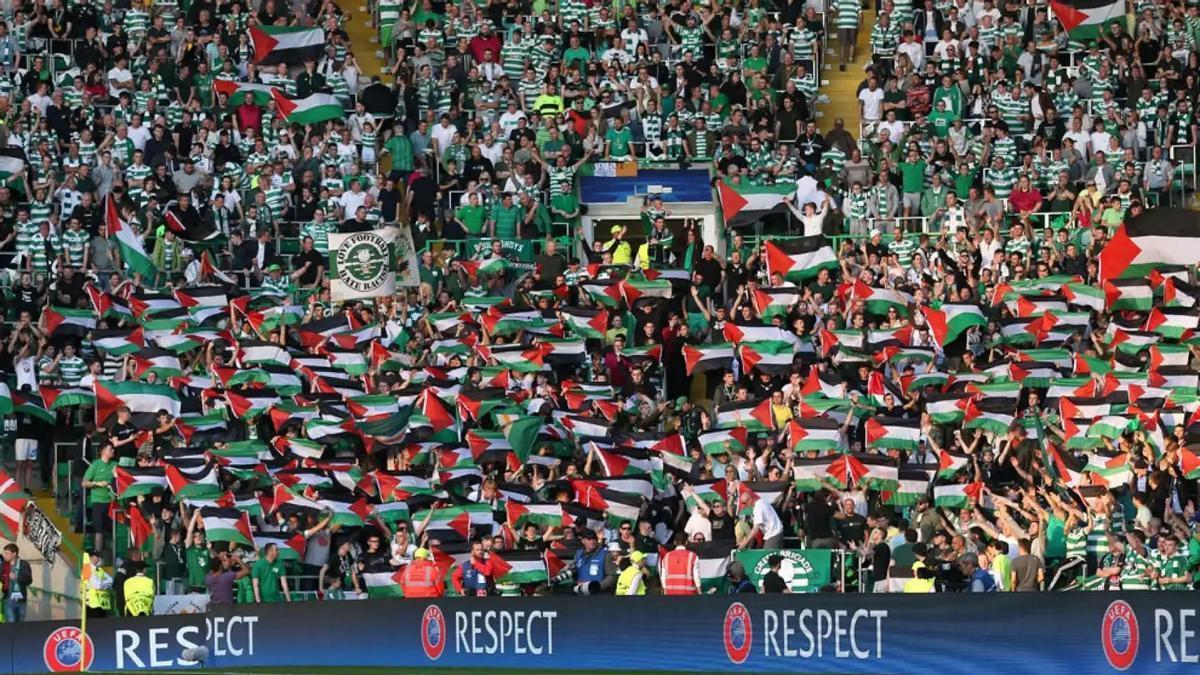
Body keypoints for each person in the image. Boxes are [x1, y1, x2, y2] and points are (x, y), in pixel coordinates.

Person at [0, 545, 32, 622]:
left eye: (7, 553)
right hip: (8, 598)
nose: (5, 555)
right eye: (5, 553)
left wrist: (17, 578)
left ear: (14, 554)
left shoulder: (23, 564)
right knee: (11, 622)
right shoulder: (3, 565)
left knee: (20, 623)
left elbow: (29, 580)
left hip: (21, 599)